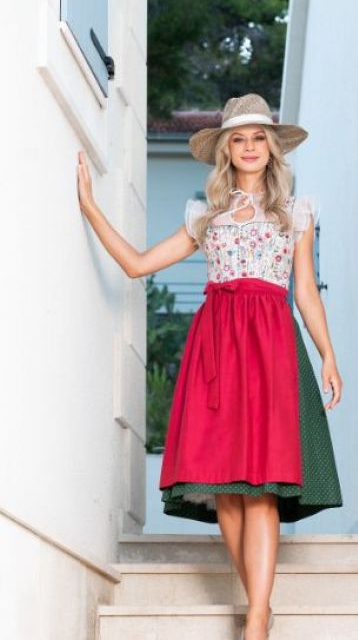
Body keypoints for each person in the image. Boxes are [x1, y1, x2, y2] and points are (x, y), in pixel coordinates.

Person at [77, 92, 344, 640]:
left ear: (272, 148)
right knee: (227, 490)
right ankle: (259, 605)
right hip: (217, 349)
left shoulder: (297, 213)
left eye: (258, 138)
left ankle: (256, 619)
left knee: (263, 487)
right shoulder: (206, 216)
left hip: (272, 346)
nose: (249, 147)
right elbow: (137, 265)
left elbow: (305, 294)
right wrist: (90, 207)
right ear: (226, 150)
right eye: (238, 139)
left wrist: (328, 355)